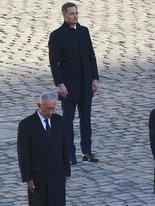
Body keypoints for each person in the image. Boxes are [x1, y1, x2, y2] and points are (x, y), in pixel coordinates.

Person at [17, 92, 71, 206]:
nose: (51, 112)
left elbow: (64, 147)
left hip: (56, 172)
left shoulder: (59, 121)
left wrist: (66, 171)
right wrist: (27, 177)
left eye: (53, 108)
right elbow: (23, 153)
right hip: (38, 174)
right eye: (47, 109)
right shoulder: (27, 125)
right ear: (39, 106)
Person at [48, 2, 100, 165]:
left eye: (76, 13)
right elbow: (54, 62)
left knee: (86, 120)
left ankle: (87, 151)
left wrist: (95, 78)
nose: (75, 16)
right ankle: (69, 154)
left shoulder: (84, 31)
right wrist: (60, 84)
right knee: (67, 122)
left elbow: (91, 56)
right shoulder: (57, 35)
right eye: (71, 13)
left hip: (86, 84)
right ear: (64, 15)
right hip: (69, 86)